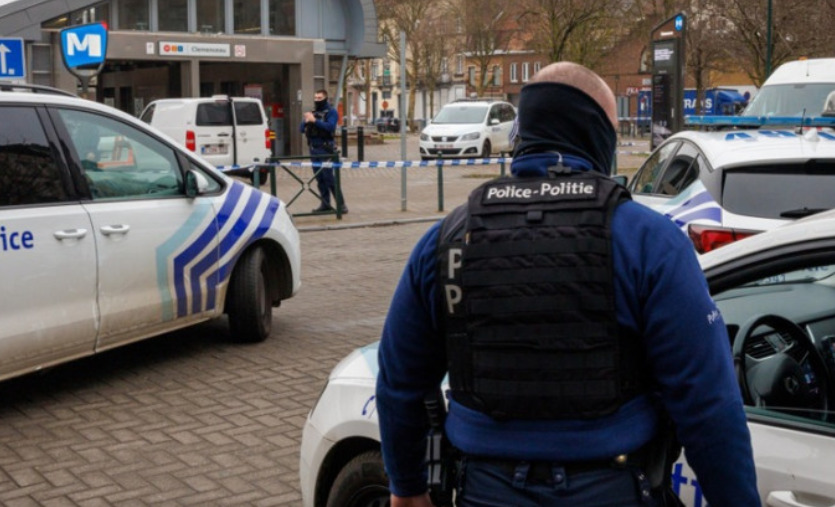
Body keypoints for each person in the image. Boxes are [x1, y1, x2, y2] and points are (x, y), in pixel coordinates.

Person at [376, 62, 760, 507]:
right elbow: (709, 404)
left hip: (484, 490)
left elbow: (399, 381)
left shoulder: (446, 239)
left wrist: (407, 487)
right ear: (596, 135)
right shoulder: (649, 241)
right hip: (613, 490)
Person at [300, 89, 347, 213]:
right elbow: (301, 129)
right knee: (319, 178)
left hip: (325, 148)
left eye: (319, 98)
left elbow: (330, 127)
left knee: (329, 178)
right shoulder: (313, 112)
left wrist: (315, 121)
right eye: (315, 98)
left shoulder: (331, 112)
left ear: (325, 98)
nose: (317, 100)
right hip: (314, 149)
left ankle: (341, 205)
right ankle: (325, 204)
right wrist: (306, 121)